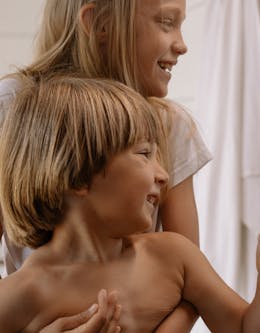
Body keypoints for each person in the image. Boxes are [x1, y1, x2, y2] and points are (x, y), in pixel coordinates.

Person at [0, 76, 260, 333]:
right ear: (77, 175)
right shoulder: (19, 296)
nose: (163, 175)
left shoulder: (173, 256)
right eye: (143, 154)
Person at [0, 0, 210, 330]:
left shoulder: (171, 126)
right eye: (166, 22)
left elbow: (193, 283)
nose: (182, 44)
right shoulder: (11, 107)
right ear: (100, 24)